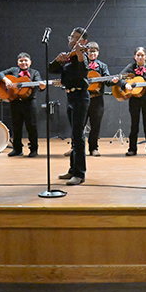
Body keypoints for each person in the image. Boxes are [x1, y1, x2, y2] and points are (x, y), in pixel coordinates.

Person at [50, 27, 90, 185]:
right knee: (74, 136)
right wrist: (58, 60)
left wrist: (80, 53)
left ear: (84, 42)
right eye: (71, 37)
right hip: (70, 97)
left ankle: (80, 174)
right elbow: (51, 69)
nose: (72, 40)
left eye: (76, 38)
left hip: (81, 97)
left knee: (78, 136)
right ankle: (72, 170)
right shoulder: (67, 58)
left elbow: (82, 71)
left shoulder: (83, 56)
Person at [0, 52, 45, 158]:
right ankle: (17, 149)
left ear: (30, 62)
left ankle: (33, 149)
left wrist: (42, 86)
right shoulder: (13, 70)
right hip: (15, 102)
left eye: (26, 61)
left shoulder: (34, 73)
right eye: (21, 61)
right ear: (18, 62)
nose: (23, 63)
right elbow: (0, 74)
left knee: (31, 126)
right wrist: (6, 80)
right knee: (16, 126)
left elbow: (39, 86)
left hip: (29, 103)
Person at [119, 47, 146, 157]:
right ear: (134, 57)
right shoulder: (130, 68)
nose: (140, 57)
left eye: (142, 55)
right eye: (138, 55)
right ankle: (132, 148)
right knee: (134, 124)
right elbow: (120, 77)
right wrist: (125, 84)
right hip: (134, 99)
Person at [84, 41, 114, 157]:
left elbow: (107, 80)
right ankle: (75, 148)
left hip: (97, 99)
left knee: (95, 125)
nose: (92, 54)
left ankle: (93, 148)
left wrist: (113, 81)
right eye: (90, 51)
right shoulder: (82, 64)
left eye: (94, 51)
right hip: (84, 99)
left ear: (98, 53)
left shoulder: (102, 66)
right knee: (79, 125)